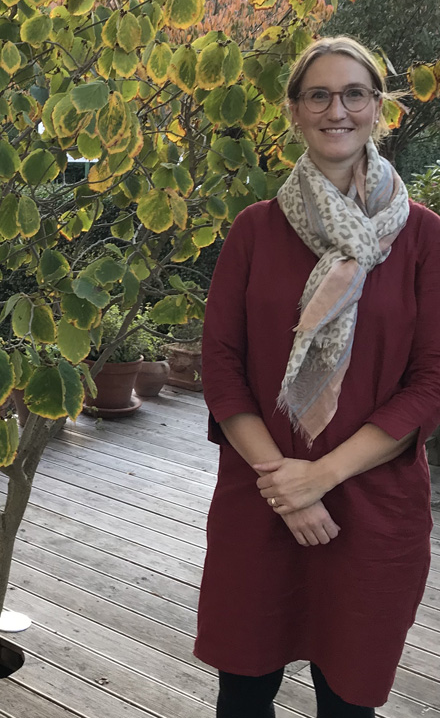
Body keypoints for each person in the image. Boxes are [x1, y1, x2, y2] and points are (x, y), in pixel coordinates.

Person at [195, 35, 440, 717]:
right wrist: (290, 488)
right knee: (243, 695)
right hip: (261, 496)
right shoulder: (254, 231)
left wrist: (321, 477)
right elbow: (222, 366)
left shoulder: (423, 238)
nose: (339, 109)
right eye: (319, 95)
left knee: (348, 702)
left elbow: (431, 380)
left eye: (355, 93)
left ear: (378, 109)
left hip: (372, 507)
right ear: (295, 112)